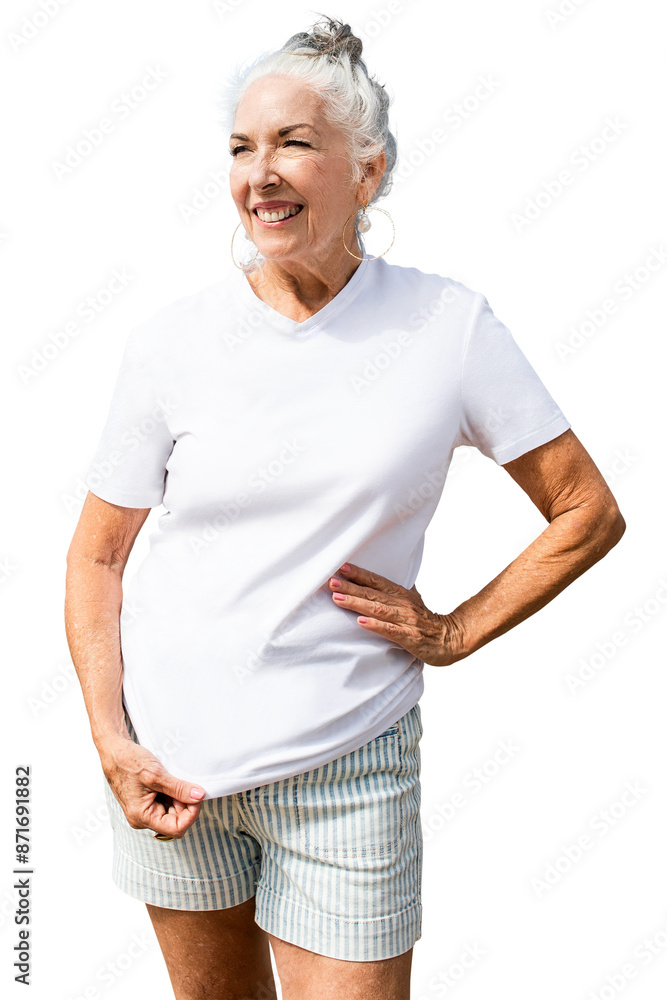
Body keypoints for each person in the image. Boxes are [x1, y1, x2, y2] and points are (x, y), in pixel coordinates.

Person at [64, 15, 625, 1000]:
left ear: (366, 174)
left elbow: (585, 508)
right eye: (241, 146)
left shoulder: (445, 328)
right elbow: (98, 558)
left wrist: (455, 630)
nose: (259, 171)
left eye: (293, 142)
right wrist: (111, 739)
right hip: (169, 766)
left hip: (346, 771)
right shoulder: (170, 344)